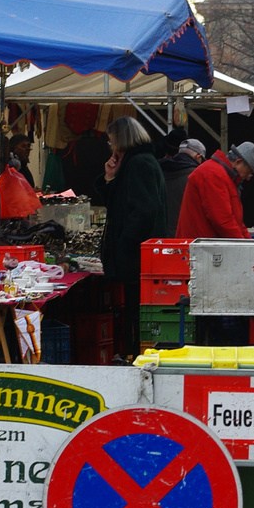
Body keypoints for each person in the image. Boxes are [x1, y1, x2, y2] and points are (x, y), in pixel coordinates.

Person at [96, 117, 167, 341]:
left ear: (121, 139)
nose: (111, 146)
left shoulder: (140, 163)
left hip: (137, 255)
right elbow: (119, 202)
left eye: (111, 141)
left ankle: (133, 353)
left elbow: (144, 209)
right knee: (135, 310)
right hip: (137, 253)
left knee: (137, 312)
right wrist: (110, 176)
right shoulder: (137, 162)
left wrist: (126, 240)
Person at [177, 142, 254, 239]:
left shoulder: (221, 175)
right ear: (237, 162)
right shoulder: (213, 174)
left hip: (204, 246)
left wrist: (250, 245)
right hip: (200, 248)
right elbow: (223, 221)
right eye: (249, 172)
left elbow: (236, 223)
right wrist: (244, 247)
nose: (248, 178)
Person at [160, 137, 204, 233]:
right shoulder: (196, 176)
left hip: (160, 236)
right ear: (198, 157)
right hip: (185, 237)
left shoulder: (160, 171)